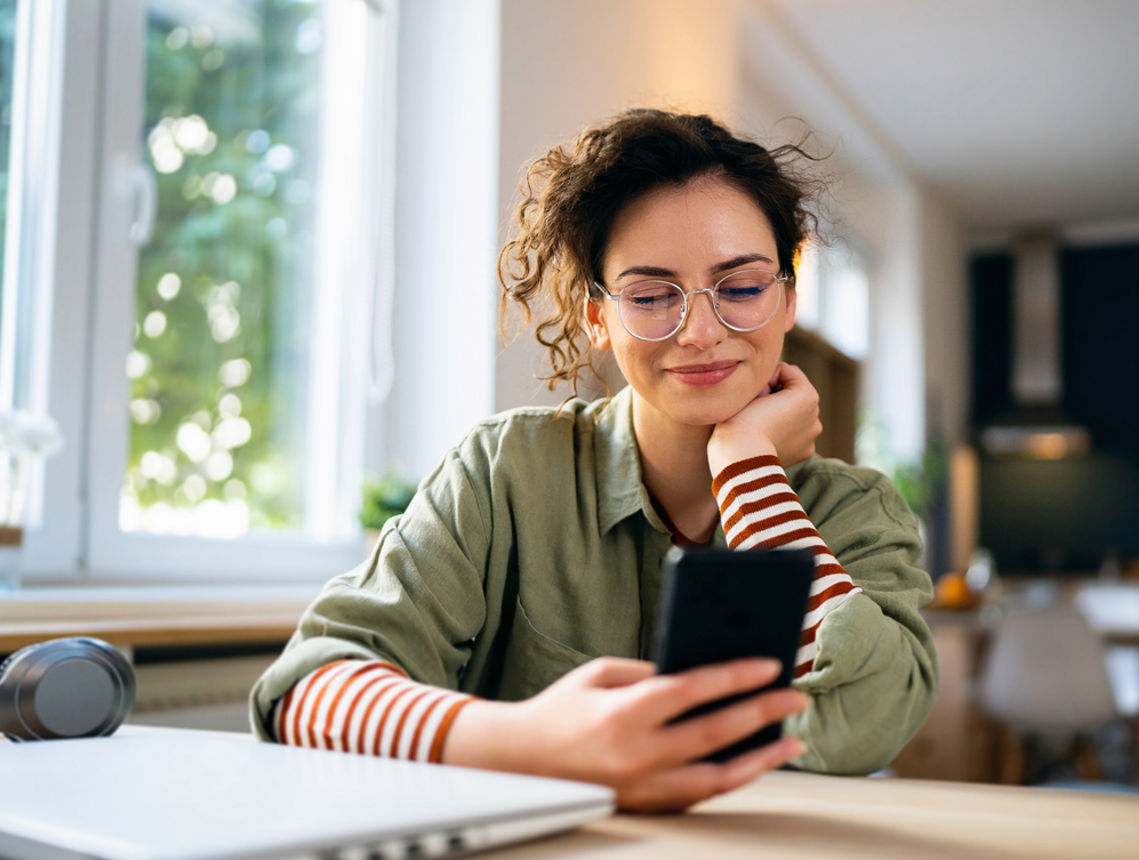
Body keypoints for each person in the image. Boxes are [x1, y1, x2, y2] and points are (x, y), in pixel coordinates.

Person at [250, 109, 937, 812]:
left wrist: (748, 471)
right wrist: (524, 739)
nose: (700, 331)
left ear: (788, 298)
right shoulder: (505, 471)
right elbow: (308, 687)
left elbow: (874, 722)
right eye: (649, 296)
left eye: (741, 288)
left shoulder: (856, 510)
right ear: (598, 318)